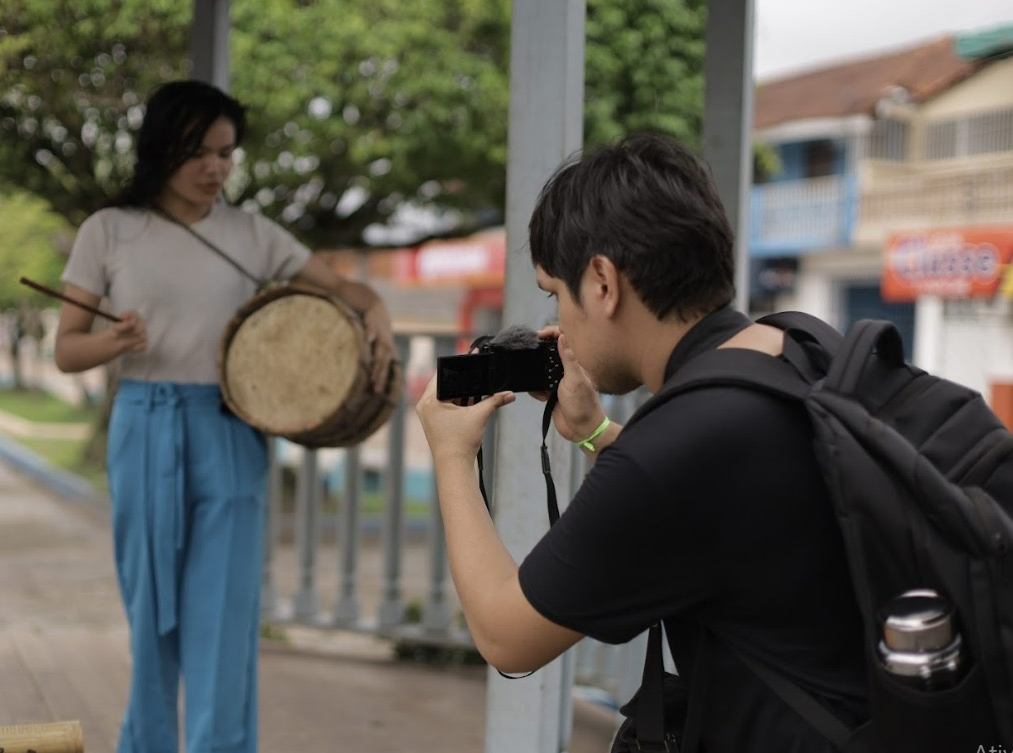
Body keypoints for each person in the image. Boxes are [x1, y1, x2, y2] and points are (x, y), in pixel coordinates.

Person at [415, 132, 869, 752]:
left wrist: (451, 455)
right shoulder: (799, 344)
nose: (558, 319)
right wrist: (594, 432)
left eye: (556, 293)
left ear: (602, 282)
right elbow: (718, 498)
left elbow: (505, 635)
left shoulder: (673, 452)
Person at [53, 79, 397, 753]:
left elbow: (343, 288)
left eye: (225, 153)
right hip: (145, 422)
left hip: (230, 427)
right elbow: (66, 350)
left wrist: (376, 308)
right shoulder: (109, 230)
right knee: (152, 612)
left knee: (226, 616)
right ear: (161, 150)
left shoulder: (251, 233)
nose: (214, 168)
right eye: (198, 153)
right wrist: (115, 342)